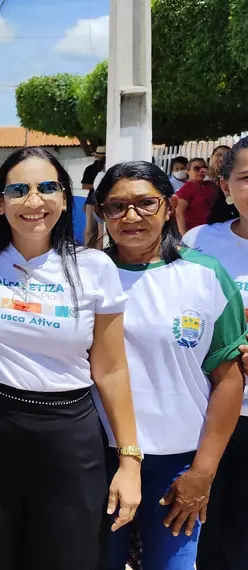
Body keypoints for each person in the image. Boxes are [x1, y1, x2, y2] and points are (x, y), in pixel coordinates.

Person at [0, 147, 142, 570]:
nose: (34, 201)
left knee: (70, 557)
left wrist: (129, 460)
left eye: (47, 188)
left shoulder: (94, 267)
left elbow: (112, 369)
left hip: (69, 437)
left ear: (65, 198)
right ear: (0, 202)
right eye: (19, 189)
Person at [92, 161, 246, 570]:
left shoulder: (207, 275)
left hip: (177, 464)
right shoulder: (88, 275)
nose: (131, 216)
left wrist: (202, 472)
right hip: (100, 459)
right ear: (101, 213)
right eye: (116, 207)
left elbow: (229, 379)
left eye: (145, 203)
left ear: (169, 205)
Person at [183, 137, 248, 569]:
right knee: (212, 545)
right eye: (246, 178)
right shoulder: (200, 242)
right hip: (214, 420)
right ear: (225, 186)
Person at [175, 158, 216, 235]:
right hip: (195, 232)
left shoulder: (210, 185)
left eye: (204, 168)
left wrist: (210, 174)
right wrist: (184, 236)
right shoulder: (186, 189)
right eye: (196, 168)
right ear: (188, 171)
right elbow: (179, 213)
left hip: (211, 230)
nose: (201, 171)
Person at [83, 145, 107, 247]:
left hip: (99, 200)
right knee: (90, 229)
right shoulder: (90, 169)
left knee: (99, 232)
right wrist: (97, 184)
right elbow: (84, 186)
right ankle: (88, 249)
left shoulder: (108, 167)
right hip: (92, 200)